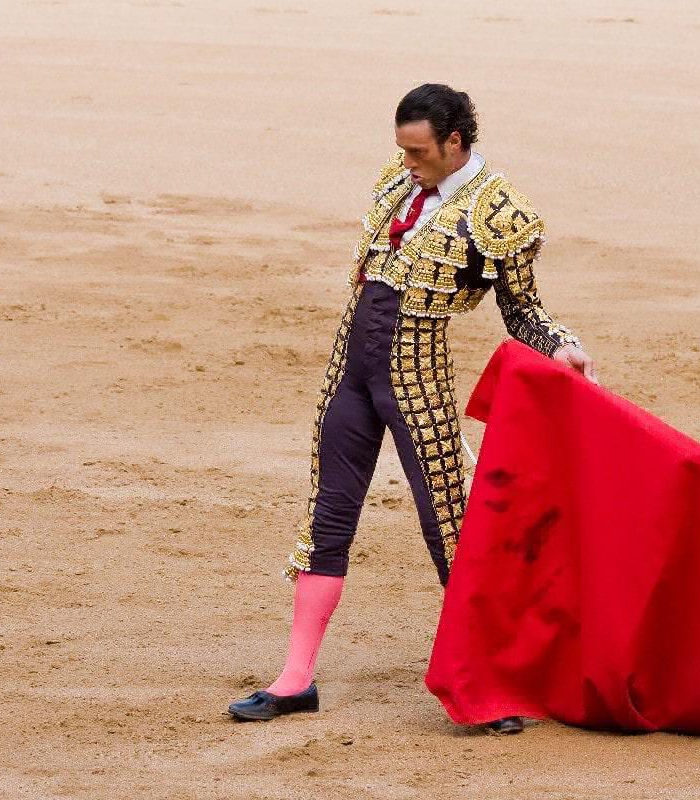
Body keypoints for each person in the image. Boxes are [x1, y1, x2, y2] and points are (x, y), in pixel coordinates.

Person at [228, 84, 597, 733]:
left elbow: (521, 310)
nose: (408, 163)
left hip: (417, 379)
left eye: (419, 151)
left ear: (455, 143)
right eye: (402, 150)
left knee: (452, 528)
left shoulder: (502, 214)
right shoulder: (397, 184)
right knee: (328, 515)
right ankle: (295, 680)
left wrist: (561, 345)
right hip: (350, 373)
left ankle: (487, 683)